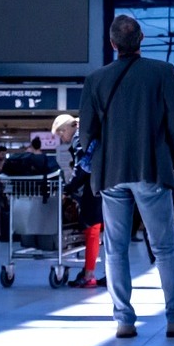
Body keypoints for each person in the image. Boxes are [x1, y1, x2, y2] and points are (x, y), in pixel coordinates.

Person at [80, 15, 174, 340]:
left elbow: (85, 134)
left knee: (116, 249)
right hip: (151, 170)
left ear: (112, 43)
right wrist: (165, 160)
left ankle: (124, 321)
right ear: (142, 39)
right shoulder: (162, 72)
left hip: (110, 175)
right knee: (164, 248)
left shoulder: (96, 79)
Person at [51, 113, 103, 288]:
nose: (61, 139)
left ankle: (89, 274)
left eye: (60, 134)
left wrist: (69, 188)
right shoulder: (91, 132)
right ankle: (97, 271)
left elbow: (83, 166)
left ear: (66, 128)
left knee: (92, 230)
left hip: (94, 188)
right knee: (104, 232)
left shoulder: (79, 138)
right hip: (105, 185)